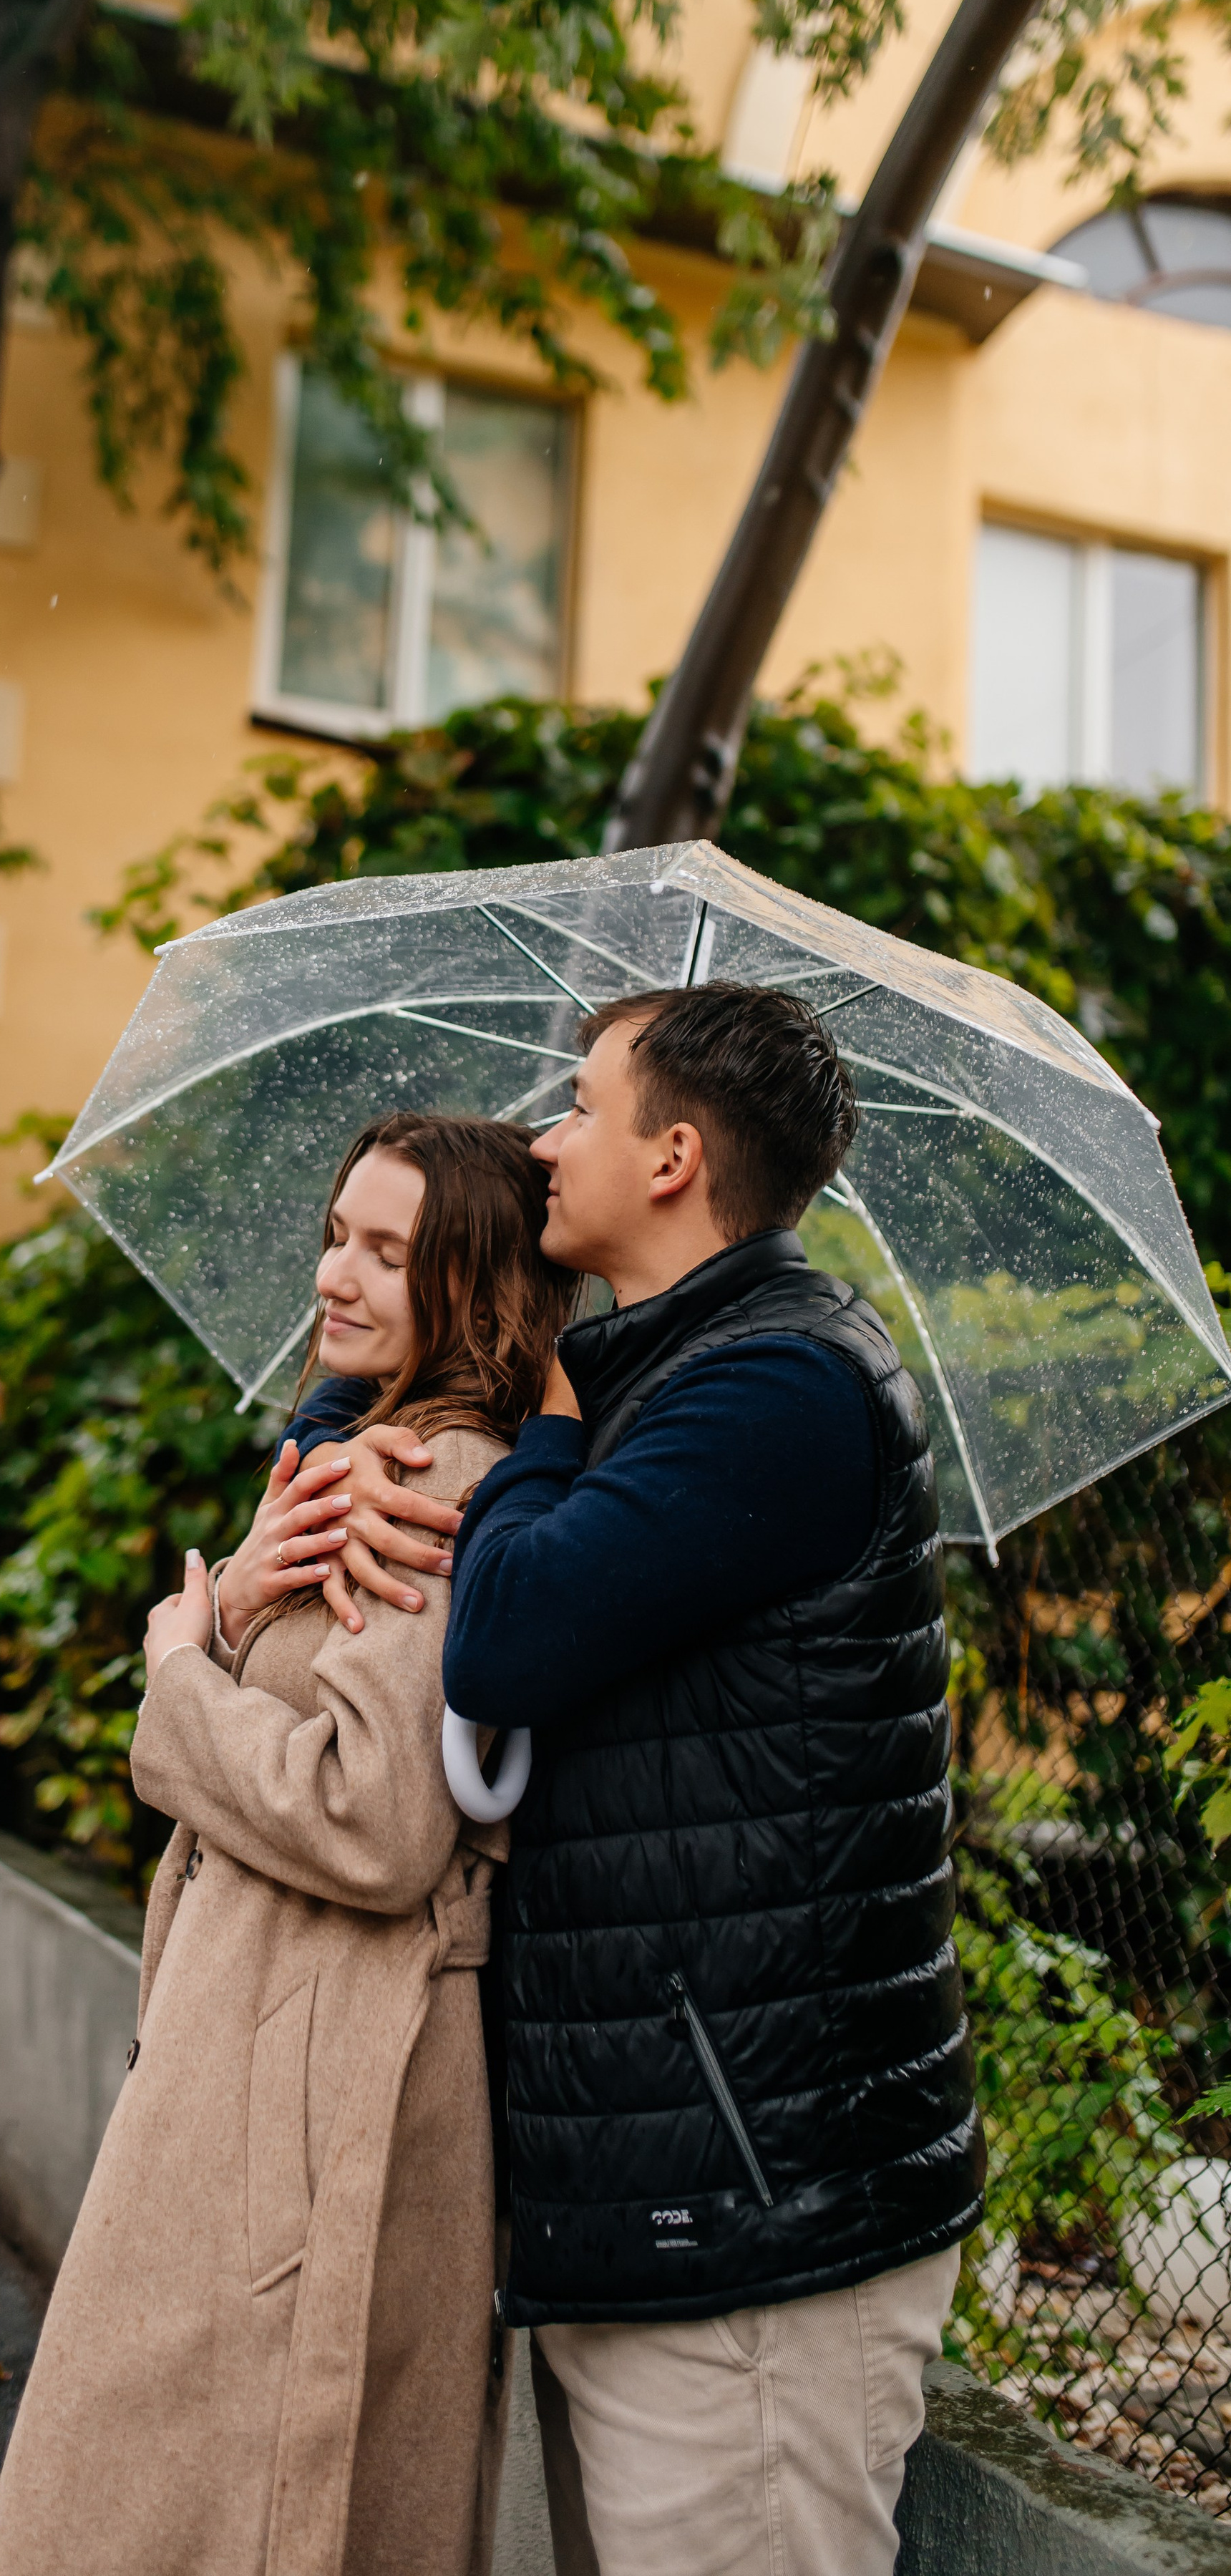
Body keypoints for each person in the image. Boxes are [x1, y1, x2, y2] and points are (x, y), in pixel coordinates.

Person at [300, 984, 986, 2576]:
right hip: (649, 2177)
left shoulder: (780, 1388)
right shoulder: (663, 1368)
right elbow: (399, 1407)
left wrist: (539, 1423)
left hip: (746, 2214)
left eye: (579, 1109)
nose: (542, 1141)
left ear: (672, 1156)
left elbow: (510, 1638)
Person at [0, 1112, 575, 2576]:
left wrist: (180, 1670)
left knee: (210, 2505)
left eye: (386, 1249)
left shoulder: (431, 1482)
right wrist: (232, 1612)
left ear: (472, 1283)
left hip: (325, 2075)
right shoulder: (348, 1455)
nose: (333, 1273)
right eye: (334, 1232)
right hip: (261, 2046)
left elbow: (373, 1819)